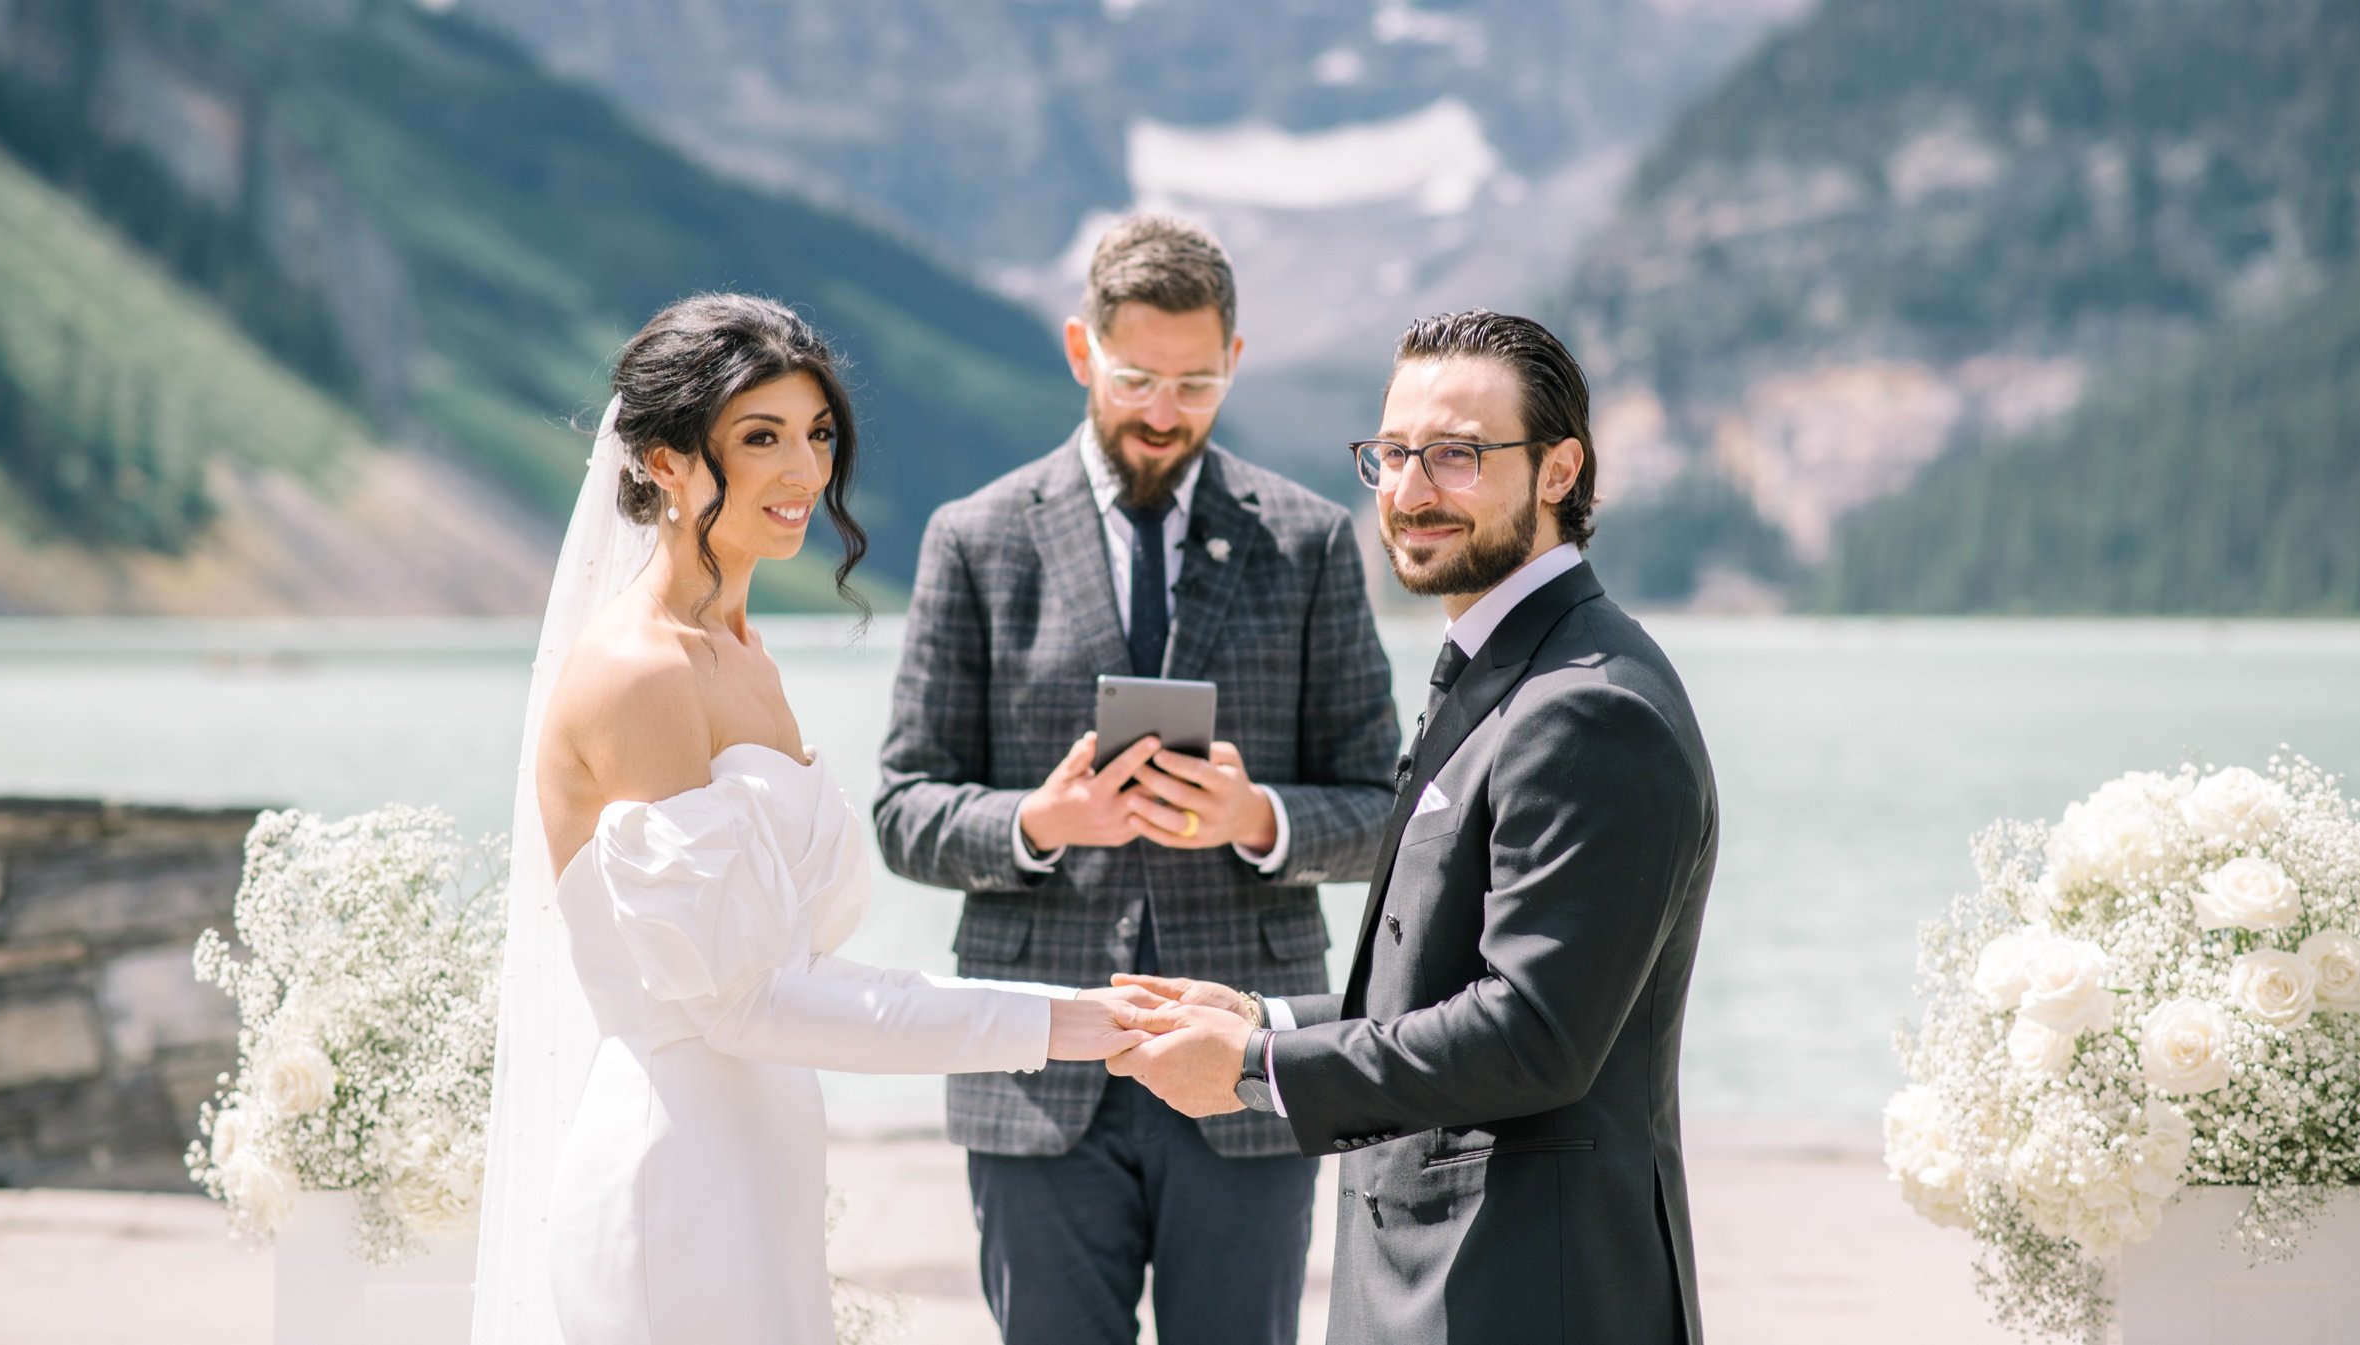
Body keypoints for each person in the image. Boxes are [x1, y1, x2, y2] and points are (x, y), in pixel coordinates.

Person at [470, 294, 1145, 1345]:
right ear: (663, 459)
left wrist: (1065, 1009)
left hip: (763, 1167)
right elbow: (742, 1002)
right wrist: (1054, 1021)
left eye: (818, 433)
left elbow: (798, 958)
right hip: (675, 1178)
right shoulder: (641, 672)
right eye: (761, 438)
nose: (805, 472)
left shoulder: (740, 651)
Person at [1108, 310, 1721, 1345]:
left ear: (1559, 469)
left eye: (1456, 455)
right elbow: (1433, 983)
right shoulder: (1508, 667)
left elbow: (1533, 1034)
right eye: (1390, 453)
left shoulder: (1589, 703)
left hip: (1529, 1290)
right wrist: (1264, 1015)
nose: (1407, 489)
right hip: (1448, 1277)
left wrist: (1254, 1066)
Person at [873, 215, 1399, 1345]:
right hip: (1032, 1063)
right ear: (1080, 350)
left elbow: (1384, 812)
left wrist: (1258, 817)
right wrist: (1038, 821)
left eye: (1196, 383)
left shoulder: (1309, 542)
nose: (1164, 410)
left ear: (1236, 362)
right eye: (1137, 378)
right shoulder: (974, 539)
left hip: (1250, 1067)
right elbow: (903, 806)